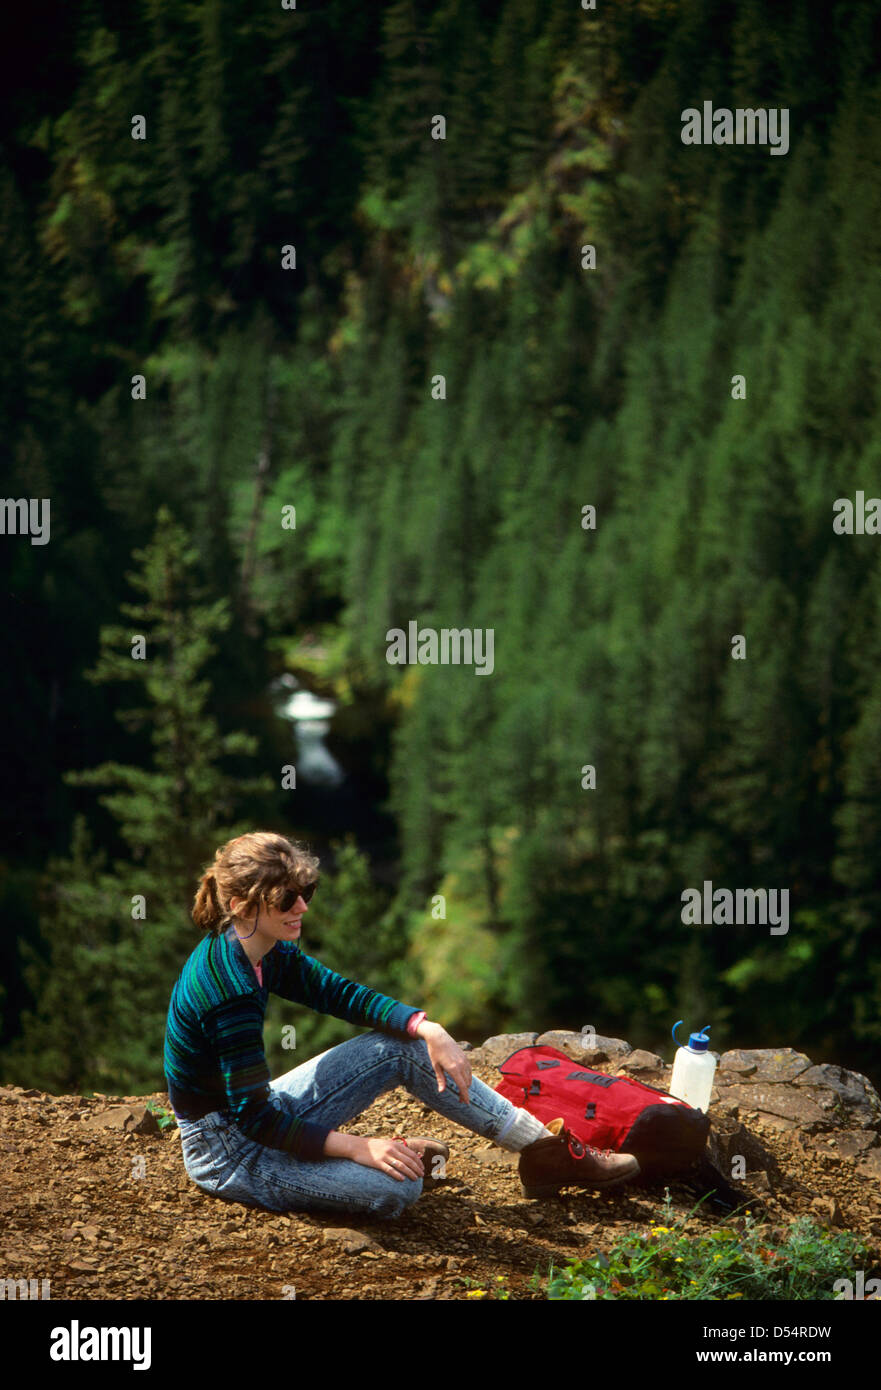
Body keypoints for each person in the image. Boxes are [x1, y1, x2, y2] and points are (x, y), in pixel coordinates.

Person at [164, 830, 639, 1220]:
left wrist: (425, 1027)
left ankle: (543, 1149)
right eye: (287, 897)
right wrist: (355, 1147)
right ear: (242, 904)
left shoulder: (259, 949)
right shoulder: (229, 991)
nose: (303, 907)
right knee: (401, 1192)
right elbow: (252, 1119)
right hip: (226, 1150)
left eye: (306, 891)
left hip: (254, 1114)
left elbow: (337, 993)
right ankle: (390, 1161)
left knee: (403, 1045)